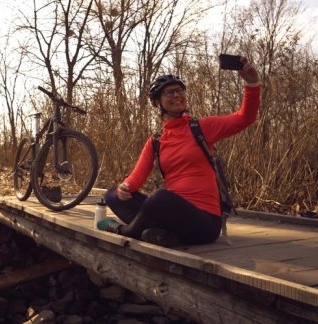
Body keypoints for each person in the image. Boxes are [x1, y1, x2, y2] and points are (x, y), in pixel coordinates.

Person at [97, 56, 261, 247]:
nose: (176, 95)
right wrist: (124, 188)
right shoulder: (156, 141)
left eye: (179, 91)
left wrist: (252, 83)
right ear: (158, 102)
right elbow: (136, 178)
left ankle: (125, 231)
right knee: (111, 195)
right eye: (169, 93)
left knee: (160, 198)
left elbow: (245, 118)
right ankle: (165, 236)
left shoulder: (201, 127)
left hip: (205, 222)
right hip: (173, 215)